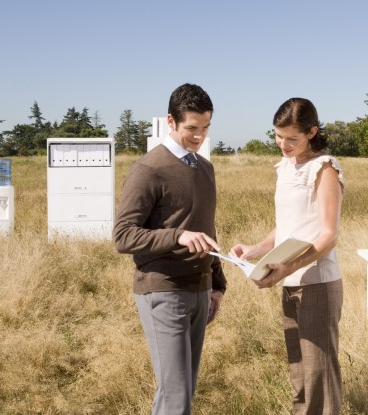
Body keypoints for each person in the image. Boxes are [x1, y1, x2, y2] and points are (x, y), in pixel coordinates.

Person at [113, 83, 226, 415]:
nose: (199, 136)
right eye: (192, 128)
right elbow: (123, 236)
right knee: (175, 395)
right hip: (162, 290)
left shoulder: (205, 169)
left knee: (184, 391)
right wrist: (176, 236)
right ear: (171, 121)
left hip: (200, 289)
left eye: (205, 128)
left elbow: (206, 229)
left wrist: (217, 284)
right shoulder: (148, 170)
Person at [231, 98, 344, 415]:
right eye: (278, 136)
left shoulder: (324, 169)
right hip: (288, 281)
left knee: (320, 374)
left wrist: (288, 267)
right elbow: (286, 227)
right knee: (299, 374)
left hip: (318, 285)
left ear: (312, 132)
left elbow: (328, 235)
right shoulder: (284, 167)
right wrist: (253, 250)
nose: (283, 144)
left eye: (291, 138)